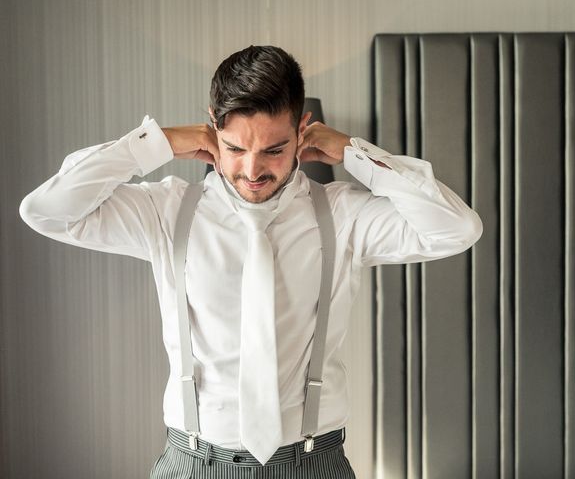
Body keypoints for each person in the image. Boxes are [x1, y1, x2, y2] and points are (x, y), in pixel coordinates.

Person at [19, 45, 483, 478]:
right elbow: (46, 210)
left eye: (274, 150)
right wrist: (154, 144)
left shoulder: (343, 216)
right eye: (236, 148)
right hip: (194, 461)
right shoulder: (166, 211)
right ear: (212, 128)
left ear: (303, 131)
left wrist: (356, 155)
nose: (253, 170)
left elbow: (456, 228)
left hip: (312, 462)